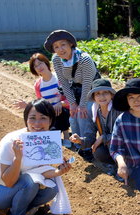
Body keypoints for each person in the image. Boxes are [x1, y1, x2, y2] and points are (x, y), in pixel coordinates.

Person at [44, 29, 100, 161]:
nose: (60, 49)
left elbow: (87, 83)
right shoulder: (56, 59)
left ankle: (87, 147)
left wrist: (82, 105)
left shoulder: (84, 59)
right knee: (73, 117)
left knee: (83, 114)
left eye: (63, 44)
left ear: (70, 44)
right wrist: (73, 104)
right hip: (74, 89)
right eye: (56, 47)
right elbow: (63, 83)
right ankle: (78, 144)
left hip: (92, 90)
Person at [13, 53, 71, 148]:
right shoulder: (38, 84)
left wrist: (61, 103)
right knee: (49, 134)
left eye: (40, 63)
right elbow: (41, 104)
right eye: (35, 66)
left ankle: (66, 136)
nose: (39, 67)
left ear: (46, 63)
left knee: (61, 112)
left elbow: (70, 98)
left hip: (64, 110)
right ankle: (55, 133)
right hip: (49, 113)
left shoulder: (59, 78)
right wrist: (27, 105)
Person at [70, 78, 121, 170]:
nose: (101, 96)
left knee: (110, 143)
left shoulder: (118, 110)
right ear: (94, 97)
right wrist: (80, 140)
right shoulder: (94, 111)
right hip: (110, 144)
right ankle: (114, 165)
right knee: (98, 152)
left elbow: (124, 134)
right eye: (97, 94)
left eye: (105, 92)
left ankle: (125, 166)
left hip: (123, 144)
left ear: (111, 95)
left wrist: (103, 137)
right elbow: (90, 135)